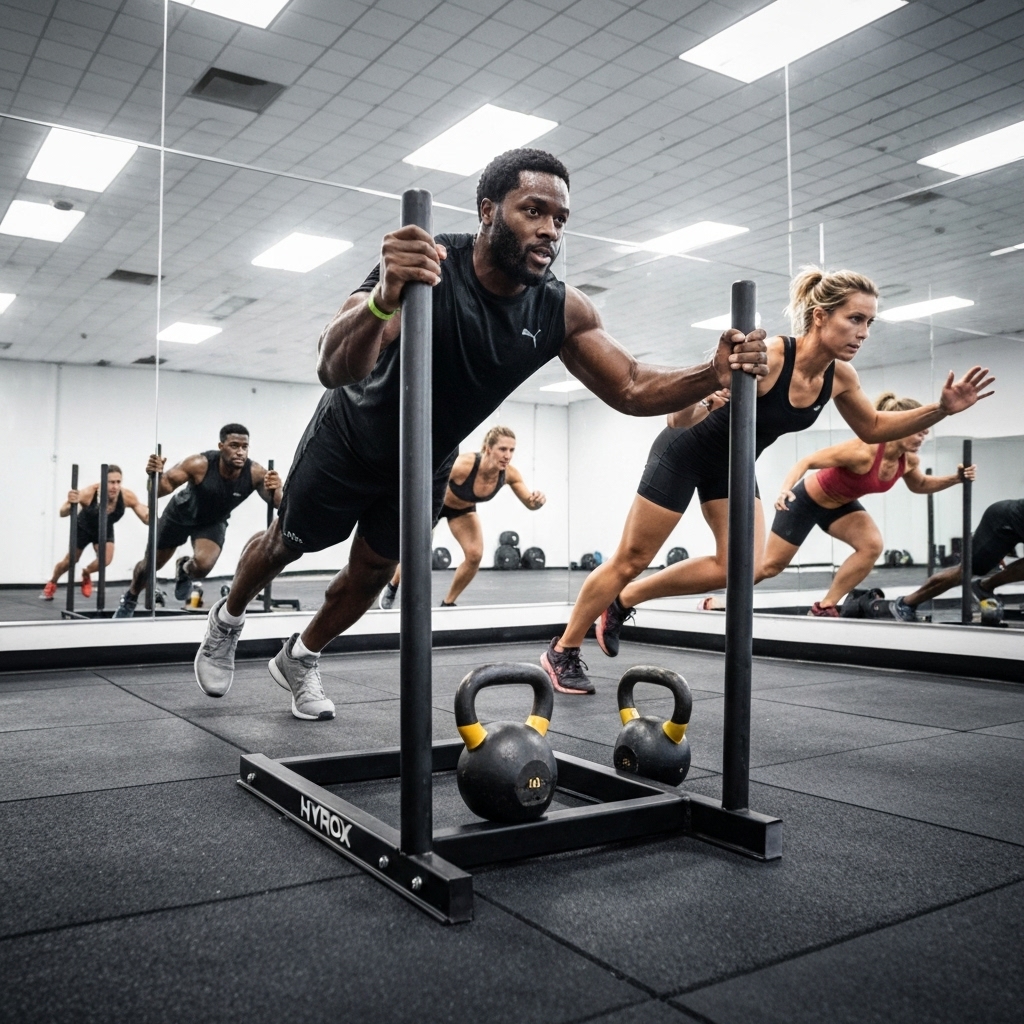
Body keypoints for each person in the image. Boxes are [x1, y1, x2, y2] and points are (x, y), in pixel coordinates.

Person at [192, 146, 770, 722]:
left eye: (560, 219)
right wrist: (383, 298)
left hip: (425, 459)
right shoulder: (429, 268)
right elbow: (333, 365)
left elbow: (632, 385)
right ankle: (228, 618)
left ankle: (302, 656)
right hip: (349, 437)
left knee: (372, 571)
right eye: (533, 210)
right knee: (287, 544)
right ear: (488, 210)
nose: (550, 231)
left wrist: (710, 373)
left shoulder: (561, 309)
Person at [544, 267, 995, 694]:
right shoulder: (771, 355)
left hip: (734, 464)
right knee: (633, 557)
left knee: (739, 567)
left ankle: (623, 601)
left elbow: (874, 427)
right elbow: (677, 419)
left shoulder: (840, 377)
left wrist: (941, 409)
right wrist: (710, 395)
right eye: (855, 319)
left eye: (869, 322)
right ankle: (563, 649)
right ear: (820, 316)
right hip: (685, 450)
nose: (863, 333)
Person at [758, 392, 976, 616]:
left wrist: (956, 478)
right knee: (770, 567)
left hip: (840, 506)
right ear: (902, 425)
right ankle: (732, 588)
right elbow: (807, 461)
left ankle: (824, 607)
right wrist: (785, 489)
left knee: (871, 545)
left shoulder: (908, 460)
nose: (922, 438)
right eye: (919, 431)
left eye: (925, 433)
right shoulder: (864, 451)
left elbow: (919, 484)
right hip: (806, 501)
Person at [113, 425, 281, 617]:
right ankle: (131, 597)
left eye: (244, 447)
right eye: (234, 446)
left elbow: (278, 503)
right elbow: (158, 490)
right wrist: (154, 476)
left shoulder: (255, 473)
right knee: (150, 566)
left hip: (212, 522)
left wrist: (277, 487)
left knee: (203, 567)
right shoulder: (198, 464)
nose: (240, 452)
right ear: (221, 446)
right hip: (179, 516)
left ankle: (184, 569)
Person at [379, 425, 545, 609]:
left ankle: (448, 602)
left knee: (475, 555)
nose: (508, 455)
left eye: (511, 450)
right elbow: (426, 481)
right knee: (417, 550)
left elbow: (530, 503)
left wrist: (536, 501)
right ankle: (393, 586)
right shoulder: (463, 465)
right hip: (434, 505)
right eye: (502, 449)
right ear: (488, 448)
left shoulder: (509, 475)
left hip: (462, 511)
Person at [892, 498, 1024, 621]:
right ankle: (906, 602)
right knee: (965, 571)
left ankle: (984, 587)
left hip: (1015, 526)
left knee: (973, 570)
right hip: (1000, 521)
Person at [40, 466, 148, 600]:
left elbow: (145, 516)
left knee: (105, 560)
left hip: (105, 527)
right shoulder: (89, 493)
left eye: (118, 482)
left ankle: (86, 573)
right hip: (84, 527)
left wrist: (152, 517)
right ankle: (52, 582)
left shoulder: (126, 496)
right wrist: (70, 502)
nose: (115, 487)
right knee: (70, 560)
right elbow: (63, 512)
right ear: (103, 482)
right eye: (111, 482)